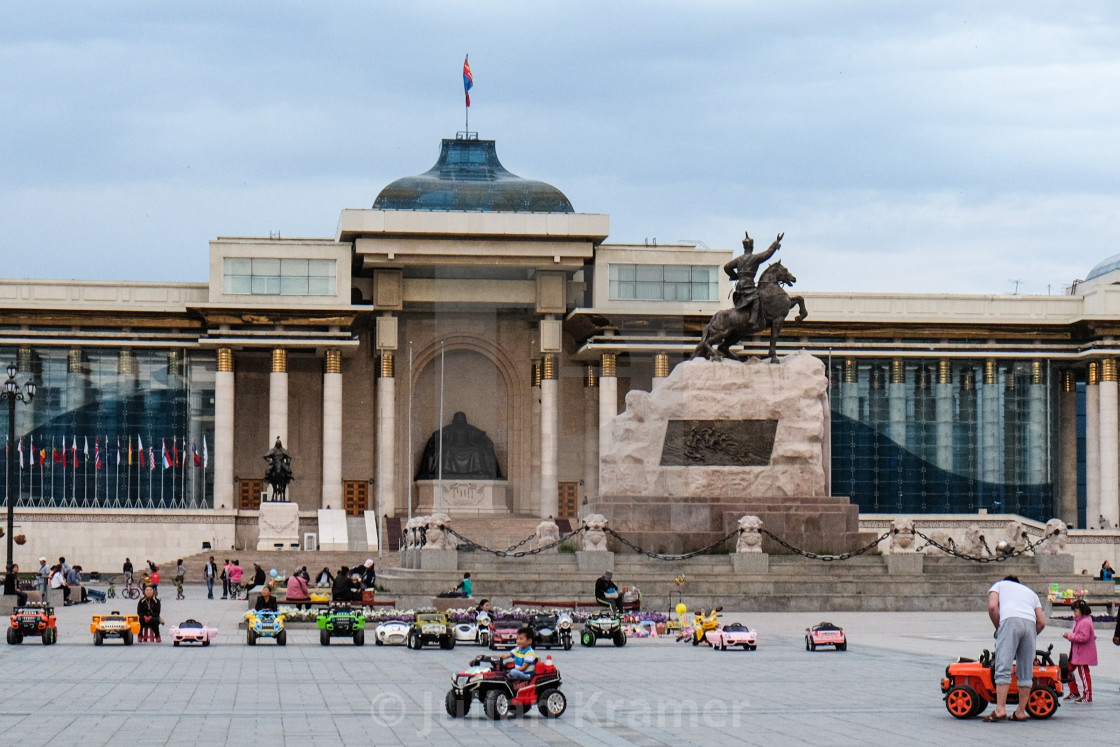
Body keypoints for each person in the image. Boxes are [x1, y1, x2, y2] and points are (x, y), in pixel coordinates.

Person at [983, 575, 1045, 722]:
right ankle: (1020, 711)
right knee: (1025, 671)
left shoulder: (999, 585)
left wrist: (999, 628)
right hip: (1030, 623)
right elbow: (1042, 622)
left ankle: (1000, 709)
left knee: (1003, 666)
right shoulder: (1031, 592)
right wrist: (1030, 635)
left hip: (1010, 620)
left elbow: (992, 607)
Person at [723, 231, 783, 327]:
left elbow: (726, 267)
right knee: (756, 298)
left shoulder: (739, 259)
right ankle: (753, 320)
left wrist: (735, 276)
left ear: (744, 248)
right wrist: (776, 243)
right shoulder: (754, 258)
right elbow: (767, 253)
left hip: (739, 285)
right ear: (752, 247)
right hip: (748, 284)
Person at [1062, 599, 1097, 703]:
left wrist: (1070, 636)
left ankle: (1087, 695)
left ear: (1081, 610)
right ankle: (1074, 692)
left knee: (1084, 674)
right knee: (1066, 670)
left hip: (1082, 653)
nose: (1074, 612)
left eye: (1075, 610)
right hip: (1076, 652)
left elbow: (1084, 637)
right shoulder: (1080, 620)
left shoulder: (1085, 621)